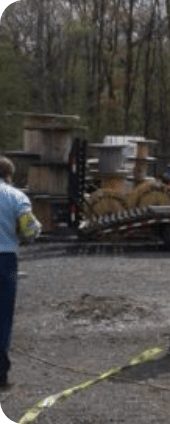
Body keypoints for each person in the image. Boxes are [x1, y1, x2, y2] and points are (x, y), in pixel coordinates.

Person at [0, 156, 41, 388]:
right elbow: (30, 230)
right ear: (8, 175)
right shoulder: (16, 197)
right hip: (5, 259)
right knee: (3, 316)